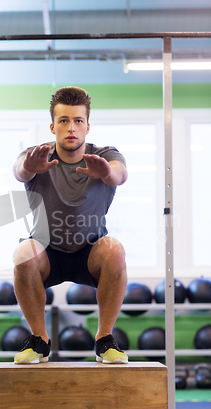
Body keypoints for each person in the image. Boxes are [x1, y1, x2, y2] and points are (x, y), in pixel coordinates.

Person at [12, 86, 128, 365]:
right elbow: (19, 171)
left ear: (87, 126)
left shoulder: (105, 155)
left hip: (90, 253)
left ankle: (104, 340)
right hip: (47, 253)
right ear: (53, 126)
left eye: (78, 121)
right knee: (23, 254)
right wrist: (29, 169)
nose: (71, 128)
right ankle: (39, 340)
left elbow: (120, 175)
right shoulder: (36, 155)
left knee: (115, 249)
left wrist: (107, 172)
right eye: (63, 120)